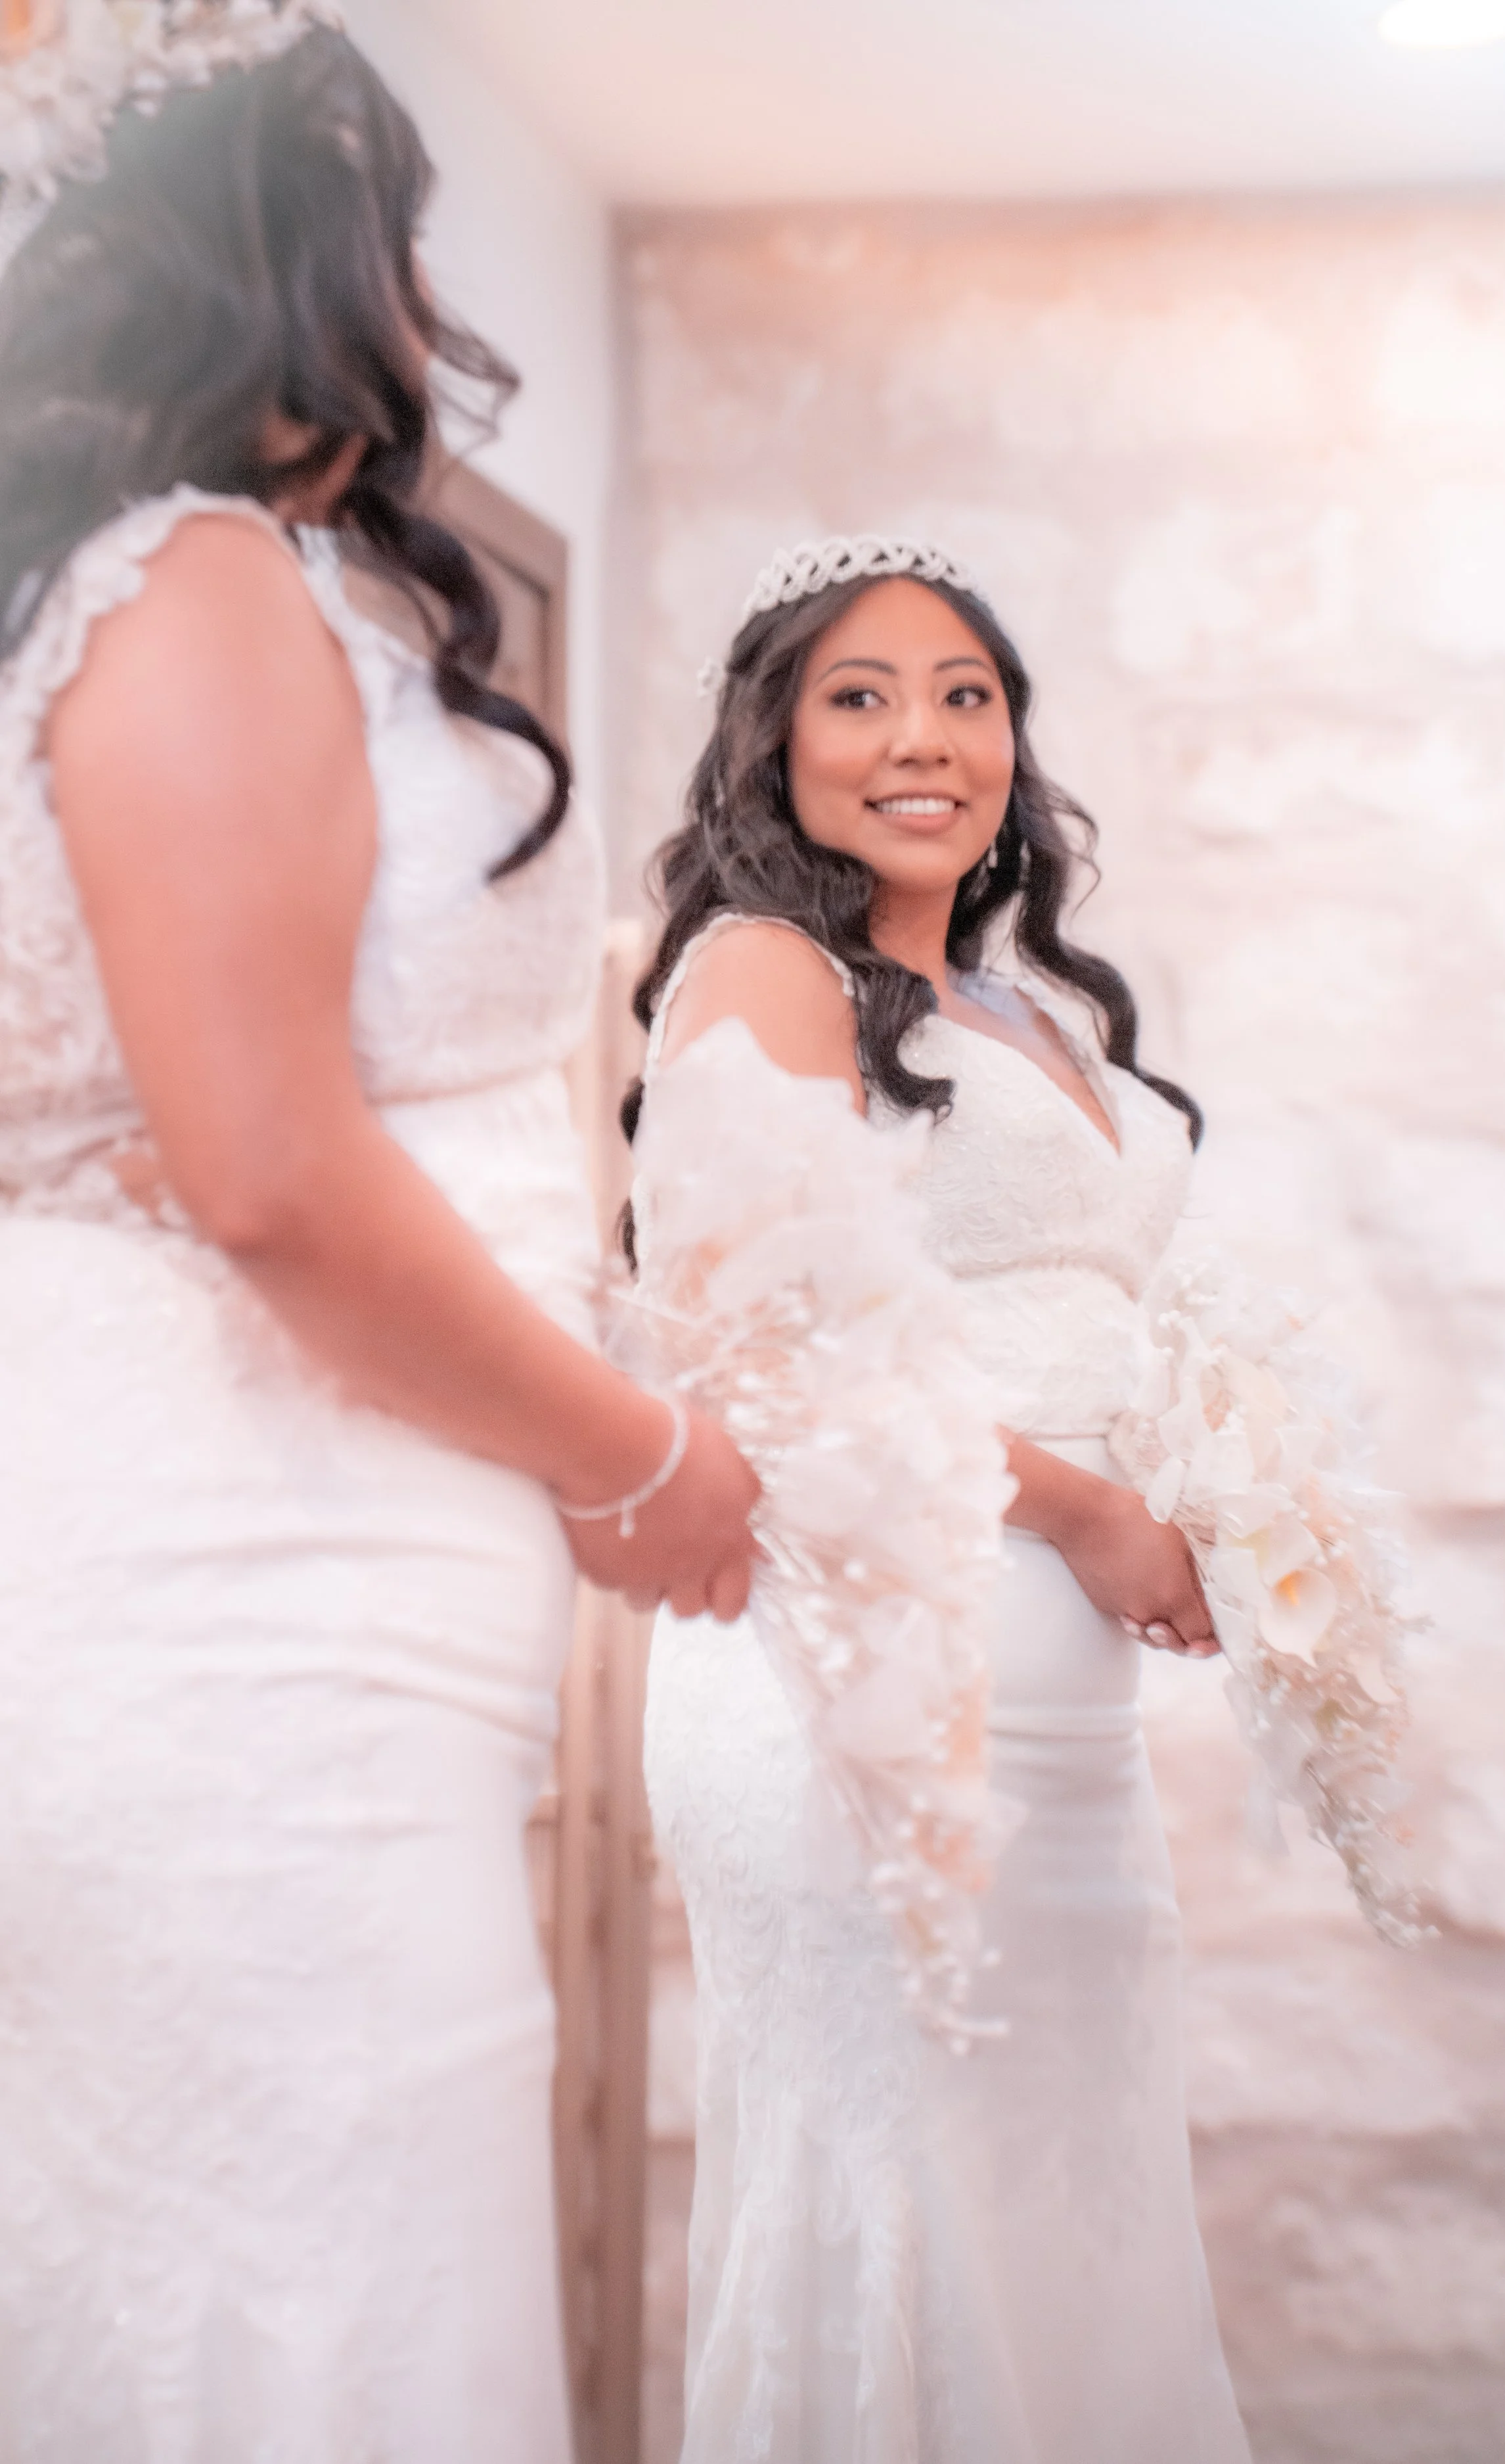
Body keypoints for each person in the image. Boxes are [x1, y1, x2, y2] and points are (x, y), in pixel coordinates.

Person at [0, 7, 755, 2457]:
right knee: (306, 2277)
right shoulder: (201, 590)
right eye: (403, 234)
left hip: (314, 1609)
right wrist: (635, 1459)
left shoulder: (204, 587)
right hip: (243, 1626)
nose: (431, 297)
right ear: (313, 254)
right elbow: (271, 1175)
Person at [628, 539, 1253, 2460]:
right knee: (907, 2187)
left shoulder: (1023, 1008)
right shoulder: (759, 970)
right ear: (773, 740)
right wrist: (1083, 1511)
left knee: (1064, 2208)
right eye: (860, 693)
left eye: (964, 694)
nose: (924, 736)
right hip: (858, 1680)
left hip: (1055, 1717)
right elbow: (765, 1359)